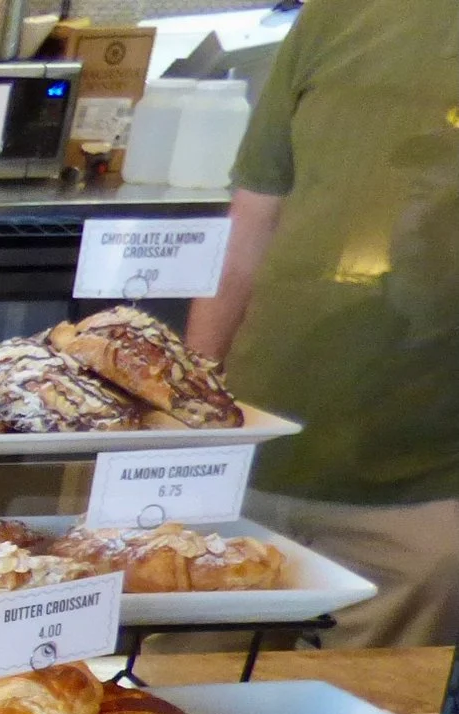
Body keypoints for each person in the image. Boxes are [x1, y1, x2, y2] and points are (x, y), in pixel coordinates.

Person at [186, 0, 459, 649]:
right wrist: (188, 409)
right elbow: (253, 219)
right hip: (246, 457)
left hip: (420, 494)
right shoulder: (334, 14)